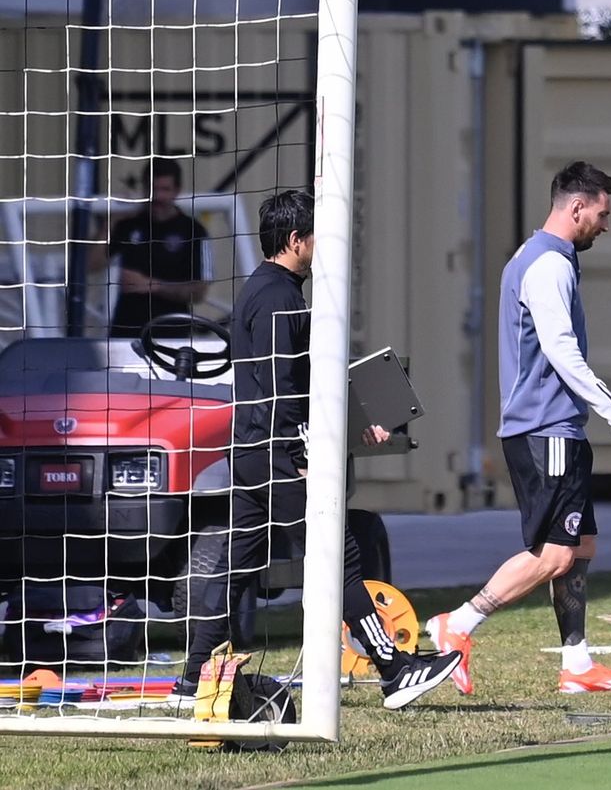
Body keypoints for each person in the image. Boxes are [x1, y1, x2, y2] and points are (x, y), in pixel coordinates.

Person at [174, 190, 460, 710]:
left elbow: (289, 380)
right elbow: (282, 386)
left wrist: (357, 418)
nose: (324, 249)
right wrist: (299, 454)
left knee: (236, 567)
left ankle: (194, 675)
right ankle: (397, 671)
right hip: (276, 451)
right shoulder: (280, 297)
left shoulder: (258, 291)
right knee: (340, 556)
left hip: (250, 450)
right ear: (295, 241)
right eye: (317, 239)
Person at [425, 161, 611, 696]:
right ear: (576, 207)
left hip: (557, 428)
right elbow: (560, 348)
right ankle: (457, 624)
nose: (606, 225)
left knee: (582, 544)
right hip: (544, 430)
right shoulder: (547, 265)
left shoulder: (541, 257)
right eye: (602, 213)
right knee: (554, 553)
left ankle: (577, 664)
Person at [99, 158, 214, 337]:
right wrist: (110, 222)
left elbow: (199, 292)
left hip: (172, 336)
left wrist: (153, 286)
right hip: (125, 334)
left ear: (177, 190)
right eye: (152, 189)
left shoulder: (195, 231)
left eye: (164, 189)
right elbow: (89, 265)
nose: (158, 196)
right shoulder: (128, 225)